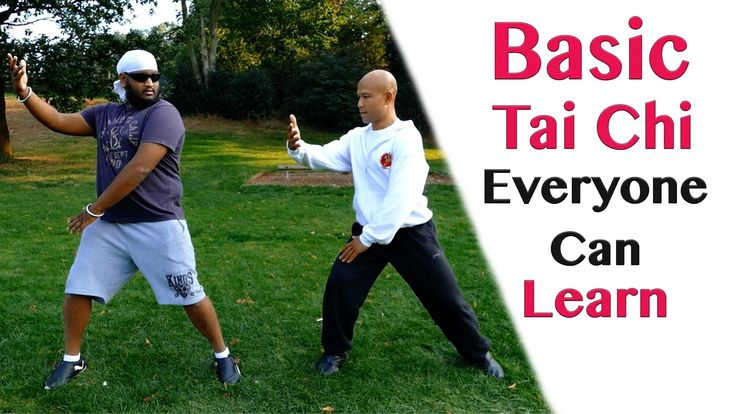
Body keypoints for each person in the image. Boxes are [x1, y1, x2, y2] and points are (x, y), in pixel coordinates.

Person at [7, 50, 241, 389]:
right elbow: (58, 120)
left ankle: (222, 355)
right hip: (111, 225)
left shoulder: (164, 114)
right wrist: (25, 92)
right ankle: (72, 360)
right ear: (123, 80)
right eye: (141, 76)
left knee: (188, 291)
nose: (150, 82)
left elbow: (141, 168)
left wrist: (94, 209)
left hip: (157, 223)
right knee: (78, 288)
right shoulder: (106, 114)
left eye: (155, 77)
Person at [286, 69, 504, 378]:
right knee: (341, 286)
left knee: (445, 298)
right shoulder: (358, 138)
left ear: (388, 97)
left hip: (411, 235)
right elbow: (325, 156)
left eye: (366, 97)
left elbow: (402, 196)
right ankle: (335, 351)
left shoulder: (406, 139)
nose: (359, 103)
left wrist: (369, 238)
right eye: (358, 97)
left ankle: (477, 354)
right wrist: (298, 148)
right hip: (368, 235)